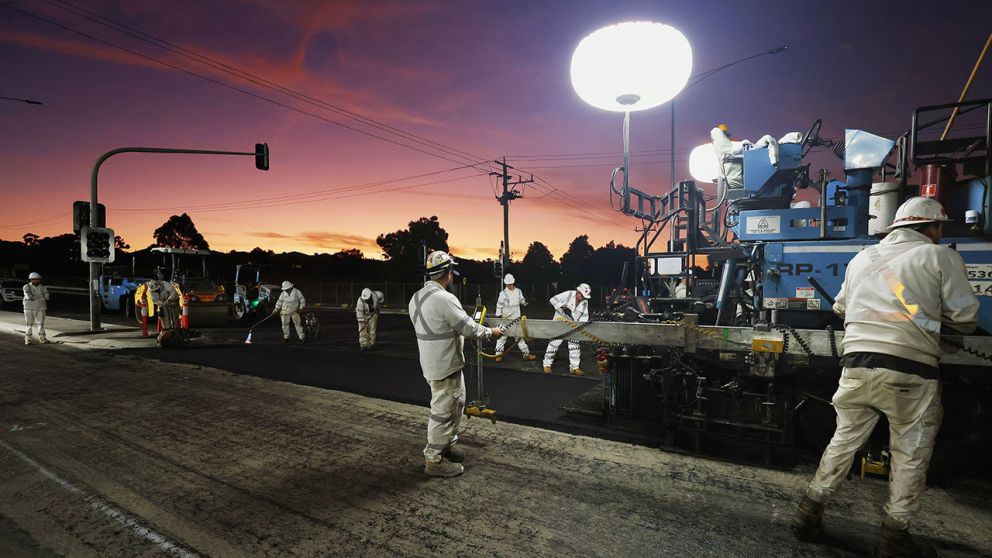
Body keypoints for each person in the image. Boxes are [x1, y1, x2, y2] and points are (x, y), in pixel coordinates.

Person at [792, 197, 980, 558]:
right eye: (939, 228)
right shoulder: (940, 257)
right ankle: (894, 539)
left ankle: (807, 513)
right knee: (910, 453)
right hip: (911, 371)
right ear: (931, 227)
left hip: (857, 366)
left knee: (843, 441)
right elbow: (965, 318)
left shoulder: (863, 257)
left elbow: (841, 307)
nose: (940, 234)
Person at [409, 251, 503, 478]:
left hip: (434, 362)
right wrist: (491, 332)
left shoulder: (416, 297)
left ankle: (446, 445)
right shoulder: (444, 299)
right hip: (445, 364)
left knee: (457, 403)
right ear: (448, 274)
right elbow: (469, 328)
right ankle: (434, 459)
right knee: (443, 412)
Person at [543, 283, 591, 376]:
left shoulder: (585, 302)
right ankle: (547, 364)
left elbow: (584, 316)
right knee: (554, 344)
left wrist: (580, 327)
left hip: (573, 326)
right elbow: (552, 300)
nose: (584, 298)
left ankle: (574, 367)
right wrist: (562, 306)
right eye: (582, 296)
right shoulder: (568, 294)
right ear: (578, 292)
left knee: (575, 346)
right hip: (559, 323)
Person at [494, 274, 536, 363]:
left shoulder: (518, 291)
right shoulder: (503, 293)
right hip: (505, 319)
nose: (510, 285)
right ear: (506, 284)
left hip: (516, 319)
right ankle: (498, 355)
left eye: (511, 283)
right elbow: (499, 305)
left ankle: (526, 355)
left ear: (513, 282)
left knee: (519, 338)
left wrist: (526, 302)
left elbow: (521, 301)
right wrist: (498, 315)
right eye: (508, 284)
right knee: (502, 338)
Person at [22, 272, 50, 345]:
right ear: (31, 279)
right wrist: (41, 297)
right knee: (29, 324)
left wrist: (36, 297)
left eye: (38, 279)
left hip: (41, 308)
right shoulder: (26, 286)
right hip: (29, 308)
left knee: (41, 324)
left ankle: (42, 338)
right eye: (35, 279)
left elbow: (47, 297)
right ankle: (28, 339)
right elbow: (29, 297)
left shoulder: (43, 287)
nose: (37, 280)